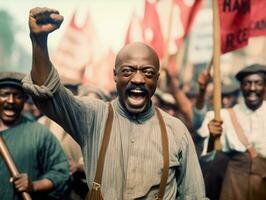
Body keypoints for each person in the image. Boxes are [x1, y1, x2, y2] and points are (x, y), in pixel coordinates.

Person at [22, 7, 206, 199]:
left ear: (157, 79)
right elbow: (48, 94)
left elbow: (195, 195)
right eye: (128, 71)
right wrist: (39, 42)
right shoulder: (93, 116)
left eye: (148, 73)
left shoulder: (176, 131)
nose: (138, 79)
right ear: (115, 76)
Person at [198, 63, 266, 200]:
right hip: (234, 185)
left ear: (265, 86)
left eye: (258, 83)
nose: (252, 88)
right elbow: (208, 159)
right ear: (241, 87)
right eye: (247, 83)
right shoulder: (225, 116)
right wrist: (212, 137)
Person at [0, 72, 70, 200]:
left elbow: (61, 173)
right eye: (4, 94)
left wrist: (34, 185)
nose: (11, 100)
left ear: (25, 100)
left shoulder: (39, 134)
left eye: (17, 96)